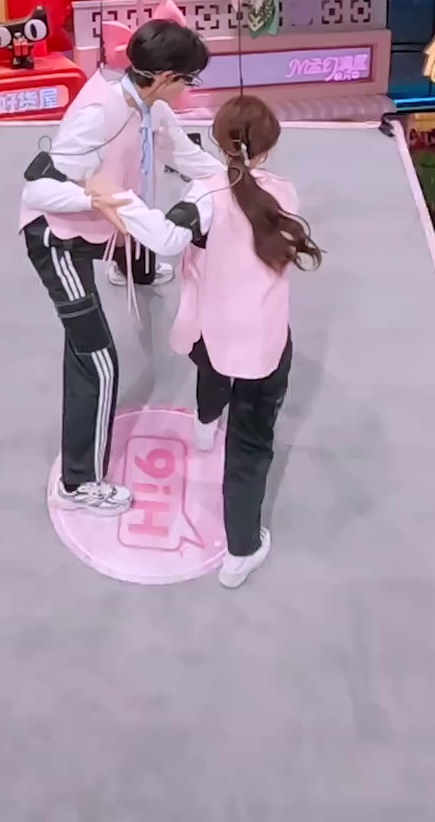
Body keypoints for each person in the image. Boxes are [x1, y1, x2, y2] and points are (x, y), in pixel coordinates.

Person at [107, 94, 323, 588]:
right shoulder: (284, 195)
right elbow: (237, 189)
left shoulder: (203, 196)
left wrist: (115, 198)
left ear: (220, 142)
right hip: (265, 343)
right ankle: (240, 552)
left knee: (212, 369)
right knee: (249, 447)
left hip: (209, 329)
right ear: (268, 149)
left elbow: (167, 236)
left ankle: (205, 424)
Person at [18, 19, 224, 514]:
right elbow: (38, 189)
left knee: (137, 219)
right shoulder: (99, 113)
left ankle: (129, 266)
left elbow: (185, 156)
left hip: (100, 227)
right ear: (165, 76)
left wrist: (240, 182)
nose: (189, 90)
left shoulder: (152, 108)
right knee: (98, 360)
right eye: (188, 80)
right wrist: (93, 197)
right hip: (58, 237)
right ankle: (77, 484)